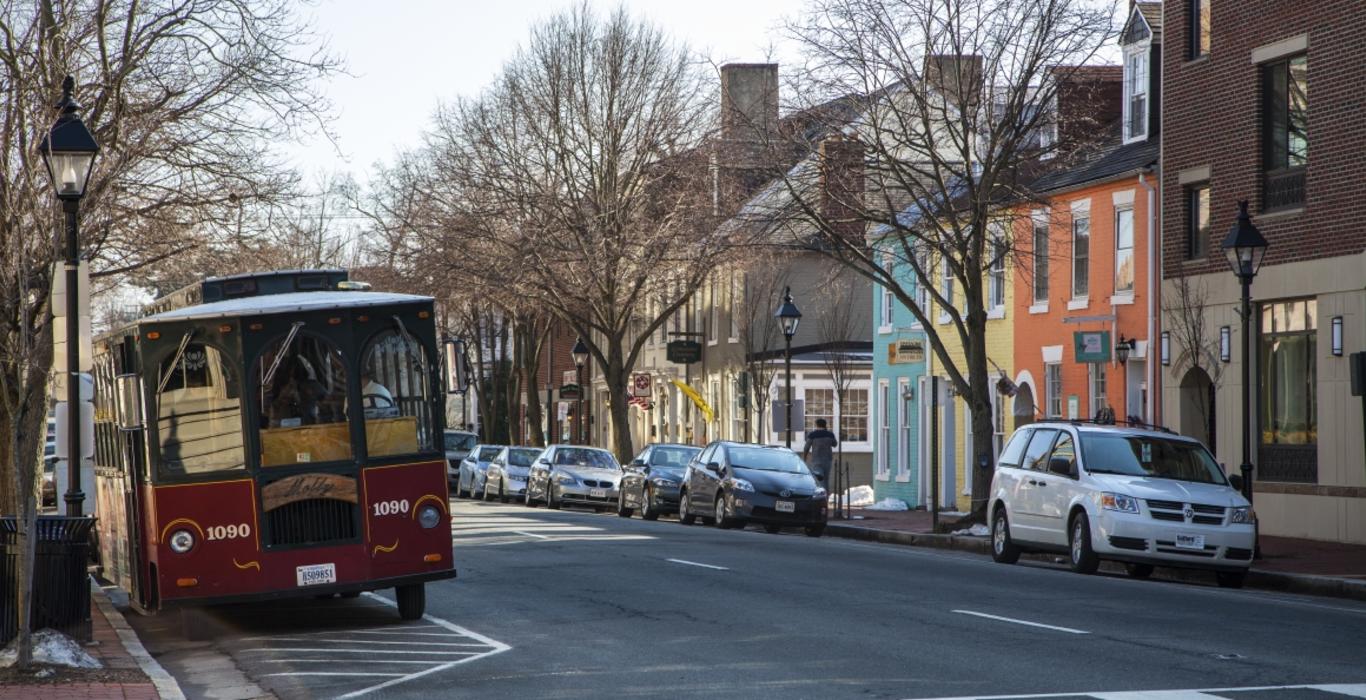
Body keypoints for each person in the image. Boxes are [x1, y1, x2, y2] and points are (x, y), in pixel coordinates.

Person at [801, 418, 839, 485]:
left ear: (817, 425)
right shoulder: (830, 434)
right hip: (828, 460)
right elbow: (835, 444)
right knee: (826, 480)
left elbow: (806, 447)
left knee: (819, 480)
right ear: (825, 425)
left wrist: (805, 457)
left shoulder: (812, 434)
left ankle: (821, 494)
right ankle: (826, 494)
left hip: (816, 460)